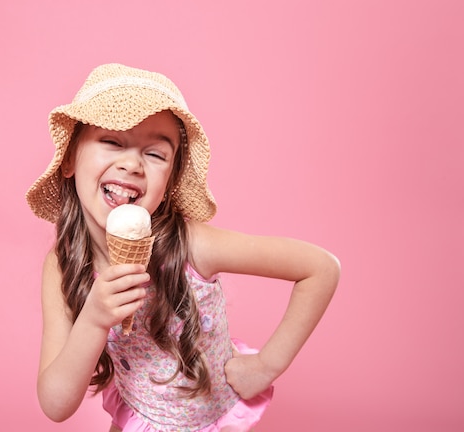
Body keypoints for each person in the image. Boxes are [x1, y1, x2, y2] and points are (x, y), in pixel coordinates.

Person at [26, 63, 340, 431]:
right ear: (69, 161)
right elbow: (55, 403)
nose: (131, 164)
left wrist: (266, 366)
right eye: (112, 141)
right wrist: (94, 319)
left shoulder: (192, 245)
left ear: (169, 181)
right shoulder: (63, 265)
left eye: (155, 154)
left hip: (208, 421)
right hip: (142, 420)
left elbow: (320, 267)